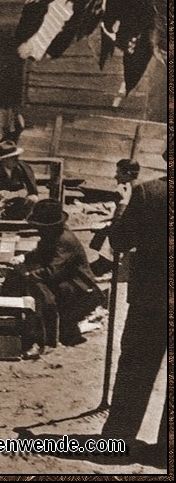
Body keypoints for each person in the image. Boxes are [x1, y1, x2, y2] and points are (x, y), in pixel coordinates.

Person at [102, 151, 167, 459]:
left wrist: (122, 209)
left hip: (149, 300)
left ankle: (117, 441)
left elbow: (118, 242)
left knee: (135, 371)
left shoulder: (147, 192)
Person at [5, 200, 103, 358]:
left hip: (80, 288)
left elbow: (52, 272)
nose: (37, 228)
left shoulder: (64, 240)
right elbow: (41, 253)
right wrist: (23, 257)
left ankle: (45, 341)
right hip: (65, 279)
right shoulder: (52, 234)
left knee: (39, 291)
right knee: (26, 280)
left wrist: (28, 275)